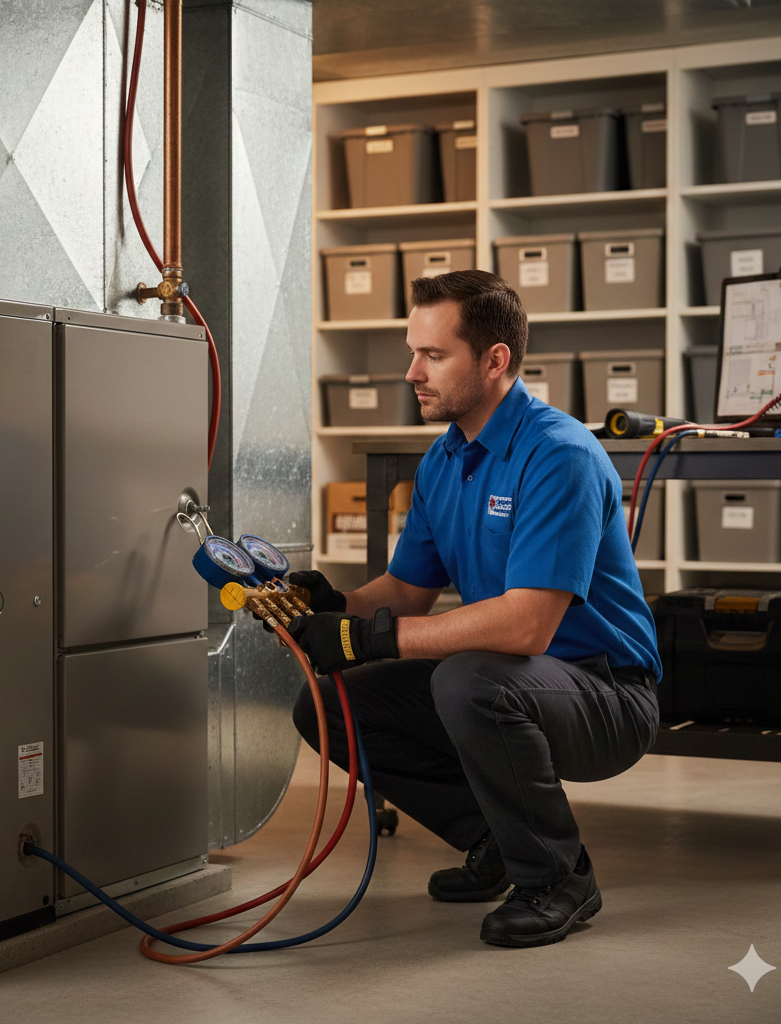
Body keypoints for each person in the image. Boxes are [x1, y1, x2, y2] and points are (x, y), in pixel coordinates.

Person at [287, 269, 661, 949]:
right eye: (413, 351)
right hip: (515, 680)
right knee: (327, 704)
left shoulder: (558, 455)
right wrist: (334, 603)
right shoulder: (443, 460)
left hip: (606, 693)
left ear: (496, 361)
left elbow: (526, 625)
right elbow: (404, 593)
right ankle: (494, 838)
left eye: (433, 355)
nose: (411, 373)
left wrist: (373, 638)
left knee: (468, 680)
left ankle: (559, 876)